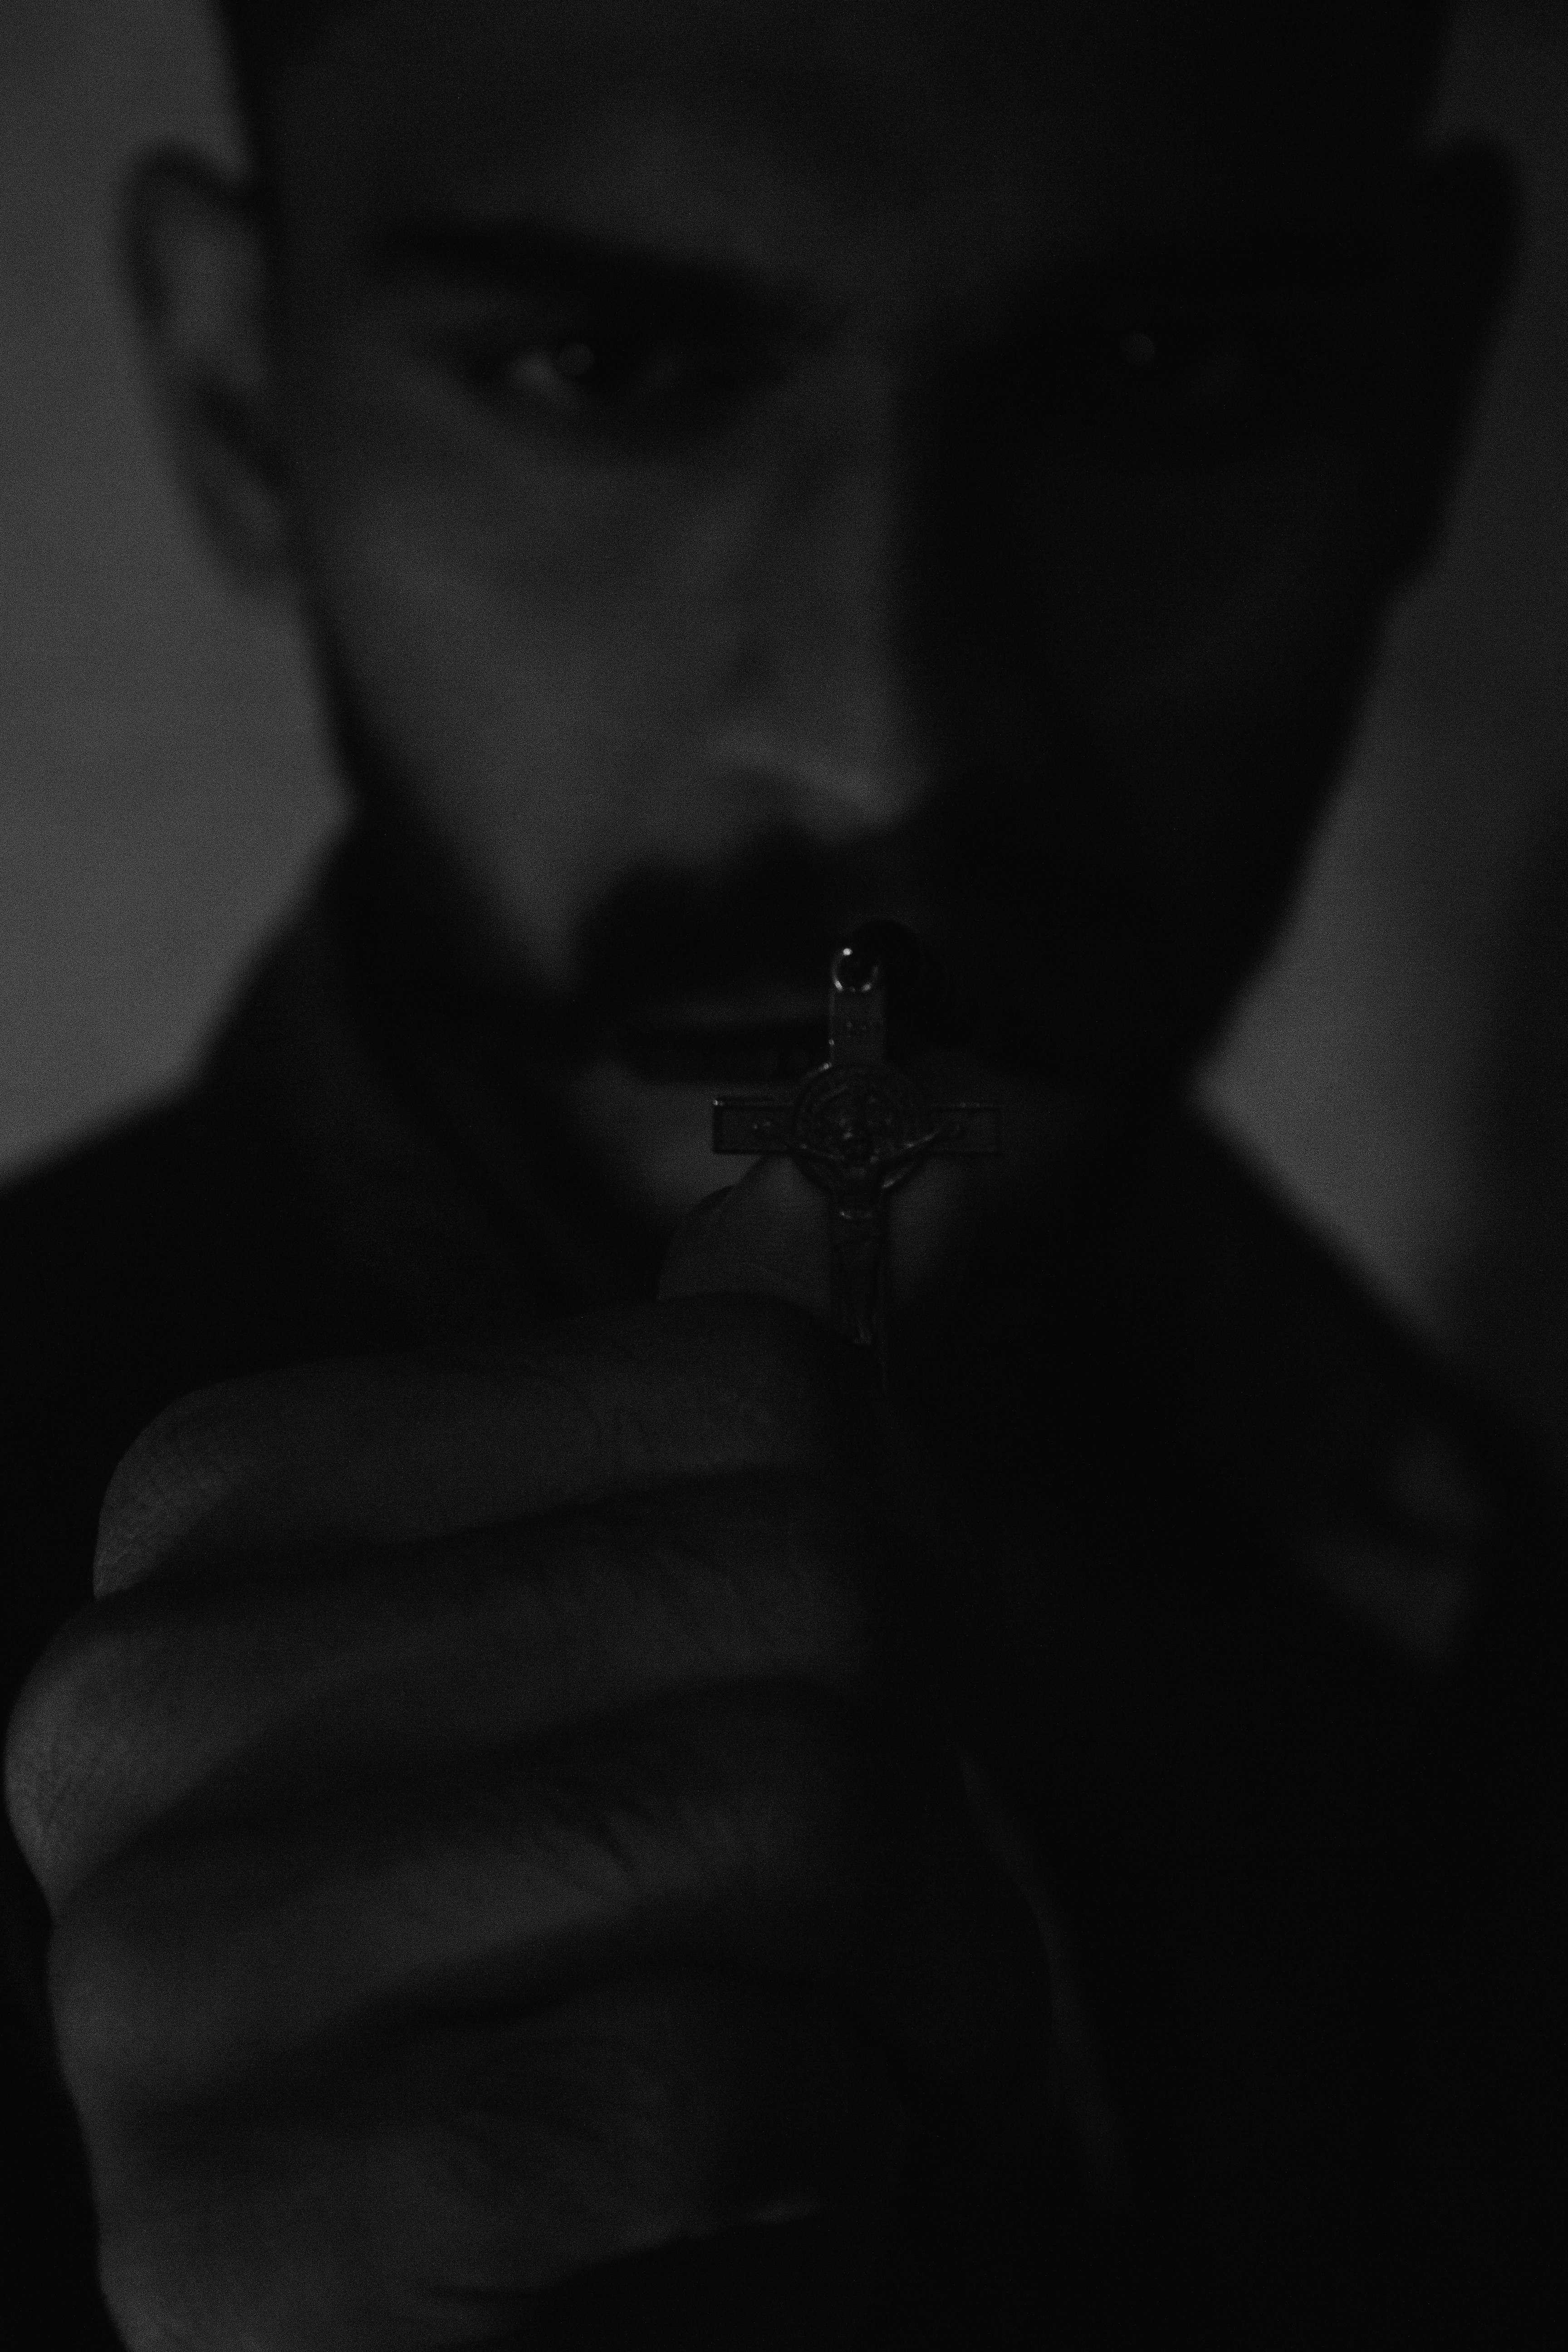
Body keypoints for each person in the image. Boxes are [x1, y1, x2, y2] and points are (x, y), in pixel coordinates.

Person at [1, 0, 1560, 2342]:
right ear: (242, 399)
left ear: (1431, 392)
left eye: (1166, 361)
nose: (879, 741)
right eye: (604, 366)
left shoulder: (1451, 1577)